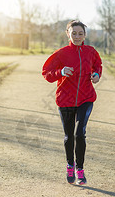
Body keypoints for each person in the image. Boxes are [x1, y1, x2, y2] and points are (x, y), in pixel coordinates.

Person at [42, 20, 102, 185]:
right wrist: (60, 72)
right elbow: (46, 73)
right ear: (68, 34)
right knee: (69, 136)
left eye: (80, 33)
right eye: (73, 33)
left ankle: (80, 169)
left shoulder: (91, 52)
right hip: (65, 100)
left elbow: (98, 65)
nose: (77, 36)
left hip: (86, 98)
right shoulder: (61, 53)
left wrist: (96, 75)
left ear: (85, 35)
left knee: (79, 134)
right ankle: (70, 164)